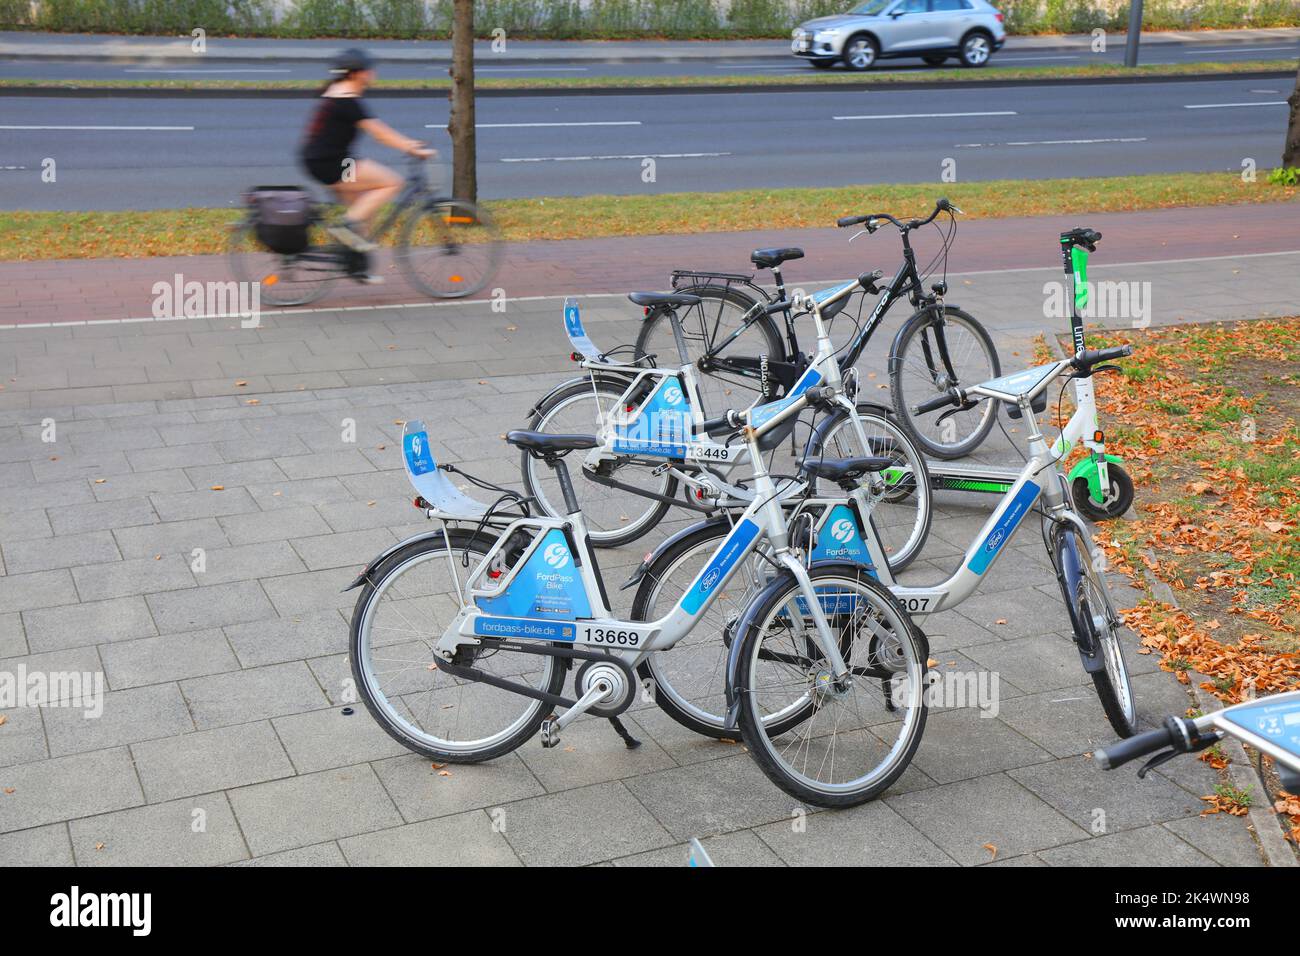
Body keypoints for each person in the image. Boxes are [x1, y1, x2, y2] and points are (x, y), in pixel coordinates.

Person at [300, 48, 434, 280]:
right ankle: (345, 228)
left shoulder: (337, 93)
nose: (373, 72)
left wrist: (409, 142)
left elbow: (381, 132)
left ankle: (356, 266)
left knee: (363, 208)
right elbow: (380, 134)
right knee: (392, 183)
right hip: (333, 163)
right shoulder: (347, 100)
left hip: (325, 160)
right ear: (356, 74)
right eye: (369, 69)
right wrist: (410, 148)